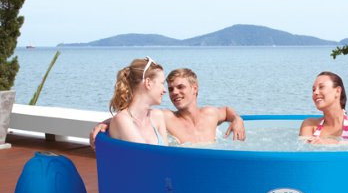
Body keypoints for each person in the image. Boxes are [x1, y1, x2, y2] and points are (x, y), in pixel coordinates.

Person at [90, 65, 245, 147]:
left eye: (180, 87)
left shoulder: (210, 114)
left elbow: (226, 111)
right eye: (170, 89)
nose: (174, 92)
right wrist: (105, 124)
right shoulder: (166, 117)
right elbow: (134, 116)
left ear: (195, 88)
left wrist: (237, 119)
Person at [107, 57, 168, 145]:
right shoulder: (122, 120)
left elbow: (166, 151)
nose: (165, 90)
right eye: (162, 83)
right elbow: (144, 153)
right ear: (148, 83)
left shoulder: (157, 116)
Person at [300, 71, 348, 143]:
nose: (315, 92)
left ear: (338, 91)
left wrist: (329, 142)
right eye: (313, 90)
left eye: (321, 87)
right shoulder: (309, 125)